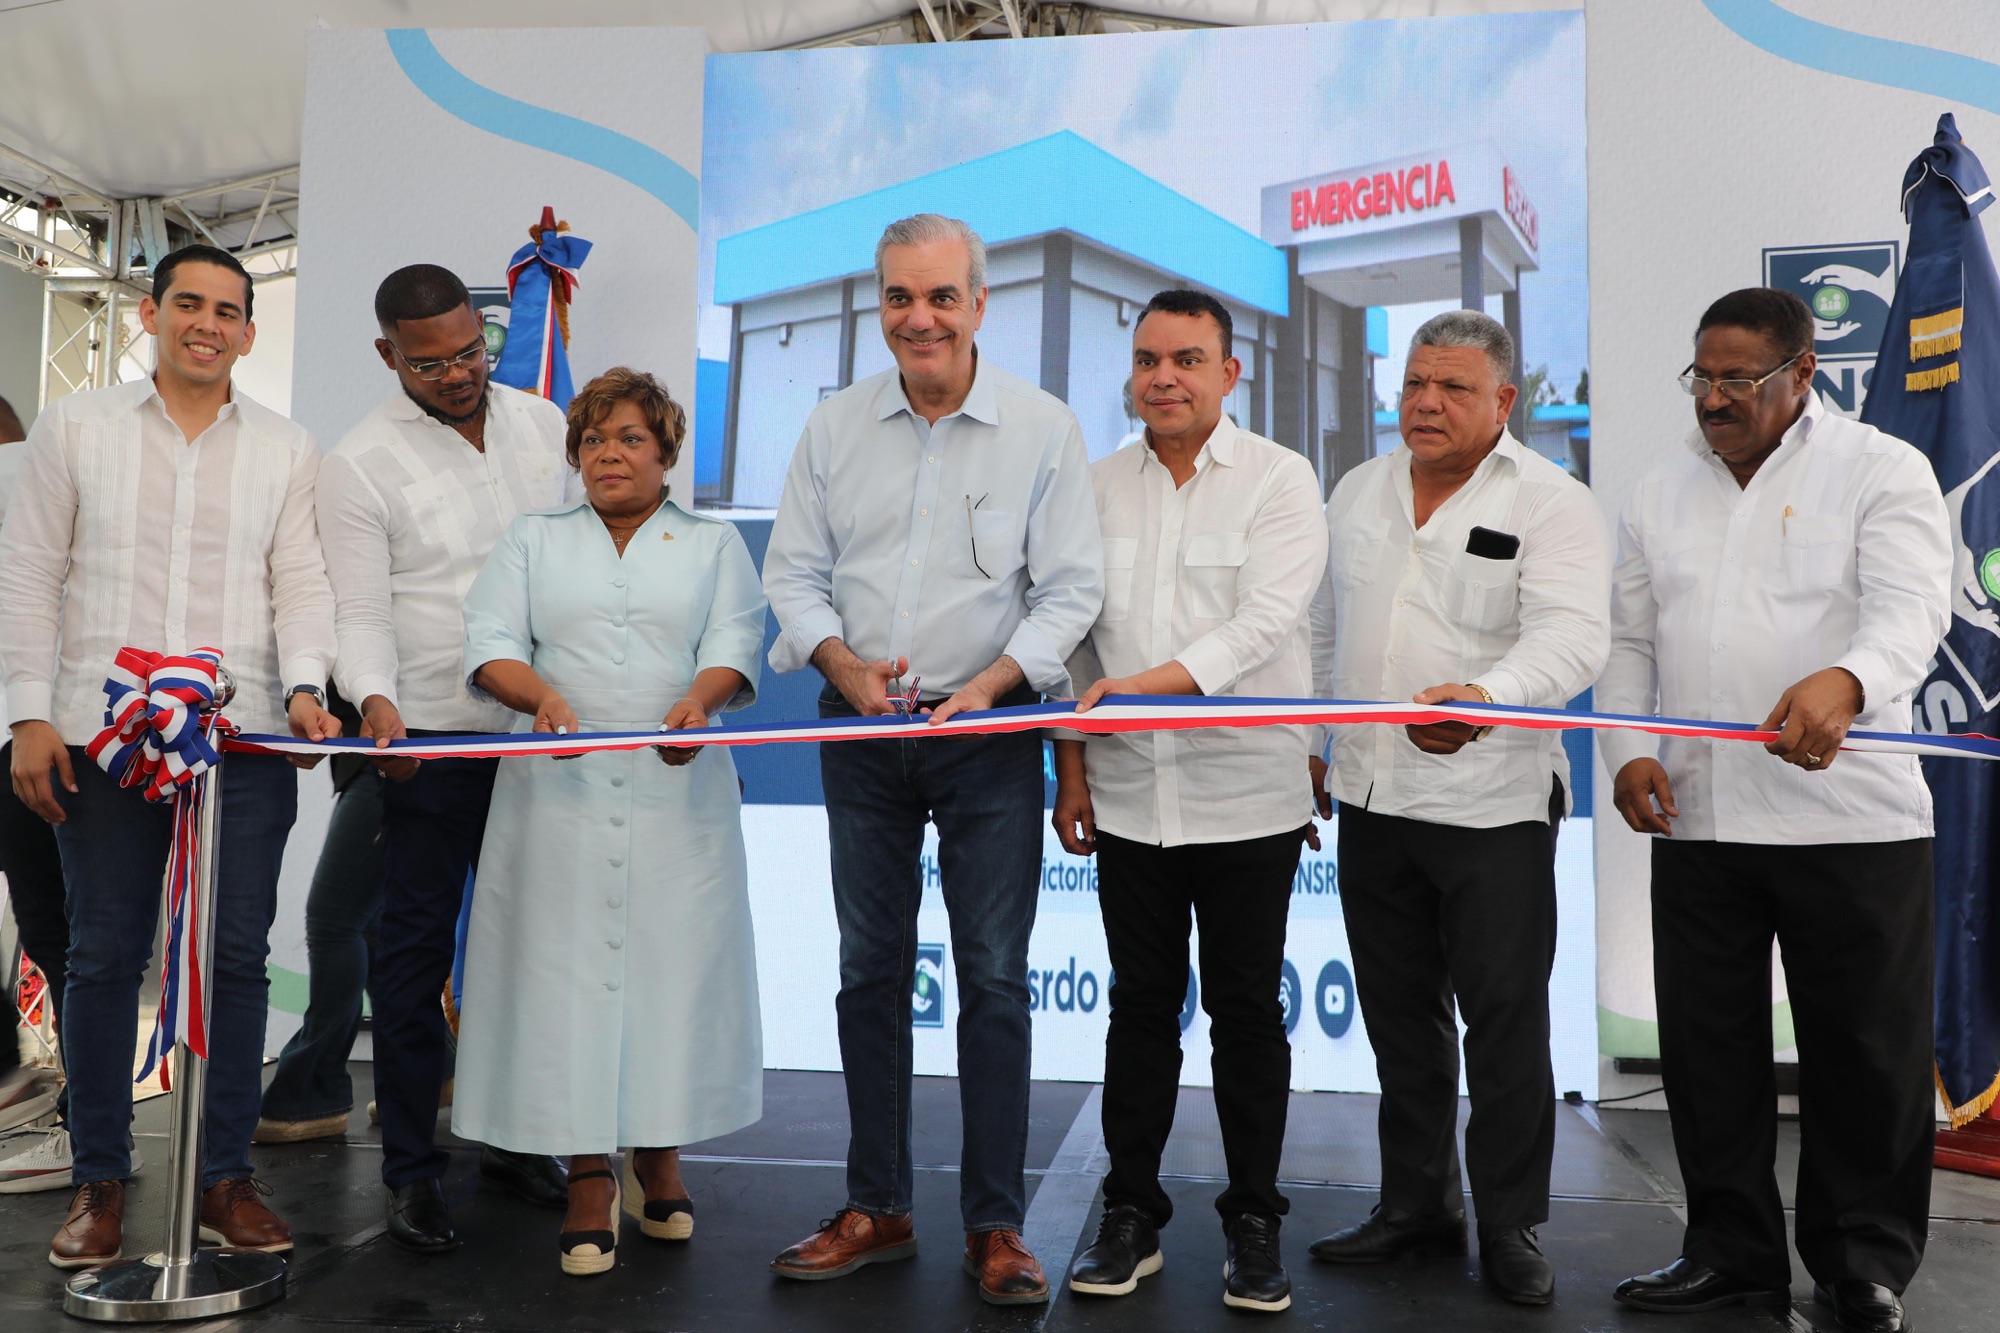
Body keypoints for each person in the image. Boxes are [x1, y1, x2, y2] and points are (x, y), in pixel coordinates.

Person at [762, 213, 1103, 1306]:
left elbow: (1070, 593)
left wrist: (991, 685)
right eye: (901, 297)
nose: (920, 318)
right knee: (868, 971)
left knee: (994, 979)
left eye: (941, 296)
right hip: (860, 728)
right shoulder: (833, 427)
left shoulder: (1042, 429)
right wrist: (842, 663)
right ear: (881, 304)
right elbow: (792, 573)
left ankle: (996, 1225)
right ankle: (878, 1206)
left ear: (979, 303)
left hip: (986, 734)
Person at [1600, 289, 1951, 1333]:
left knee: (1865, 1055)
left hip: (1852, 819)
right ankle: (1728, 1253)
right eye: (1701, 378)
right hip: (1699, 817)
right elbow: (1628, 642)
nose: (1714, 399)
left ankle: (1862, 1262)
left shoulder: (1880, 468)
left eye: (1738, 380)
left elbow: (1910, 613)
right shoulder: (1659, 488)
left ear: (1802, 373)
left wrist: (1846, 680)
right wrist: (1628, 750)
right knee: (1706, 1052)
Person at [0, 244, 341, 1268]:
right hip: (97, 739)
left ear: (248, 331)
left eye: (227, 311)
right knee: (104, 954)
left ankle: (224, 1178)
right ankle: (100, 1178)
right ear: (150, 314)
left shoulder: (287, 447)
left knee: (234, 958)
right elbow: (27, 572)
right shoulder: (75, 428)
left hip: (242, 738)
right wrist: (27, 714)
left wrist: (307, 687)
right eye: (187, 303)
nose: (207, 323)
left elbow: (301, 581)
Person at [1305, 309, 1610, 1306]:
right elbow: (1322, 630)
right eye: (1413, 385)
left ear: (1503, 399)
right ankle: (1416, 1207)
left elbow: (1571, 640)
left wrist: (1484, 697)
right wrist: (1314, 742)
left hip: (1493, 805)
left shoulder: (1552, 501)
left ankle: (1511, 1224)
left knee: (1504, 1025)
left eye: (1452, 387)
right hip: (1371, 794)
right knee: (1401, 1021)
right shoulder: (1356, 489)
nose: (1425, 404)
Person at [455, 367, 766, 1277]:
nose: (609, 454)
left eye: (630, 438)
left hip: (681, 794)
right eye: (593, 440)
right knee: (563, 978)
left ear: (666, 453)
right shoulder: (534, 538)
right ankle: (589, 1169)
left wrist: (700, 705)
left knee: (672, 972)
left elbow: (734, 644)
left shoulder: (712, 544)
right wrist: (541, 698)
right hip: (557, 793)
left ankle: (658, 1155)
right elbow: (490, 644)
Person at [1052, 289, 1326, 1314]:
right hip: (1129, 795)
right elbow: (1073, 640)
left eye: (1186, 359)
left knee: (1246, 1011)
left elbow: (1264, 625)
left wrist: (1141, 688)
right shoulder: (1091, 488)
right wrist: (1071, 768)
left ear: (1228, 373)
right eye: (1147, 359)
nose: (1162, 377)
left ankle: (1254, 1223)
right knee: (1138, 1006)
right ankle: (1130, 1213)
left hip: (1247, 794)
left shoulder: (1280, 479)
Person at [315, 263, 574, 1251]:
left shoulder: (544, 423)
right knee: (415, 954)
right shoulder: (358, 463)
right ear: (388, 355)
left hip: (543, 732)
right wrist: (375, 702)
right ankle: (412, 1171)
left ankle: (515, 1141)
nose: (460, 373)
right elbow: (358, 611)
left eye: (472, 351)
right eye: (431, 364)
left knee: (532, 948)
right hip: (426, 737)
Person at [0, 390, 78, 1191]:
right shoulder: (44, 477)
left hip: (30, 739)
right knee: (66, 934)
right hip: (54, 734)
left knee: (63, 935)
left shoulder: (26, 484)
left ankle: (83, 1130)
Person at [252, 686, 385, 1144]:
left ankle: (311, 1091)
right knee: (369, 925)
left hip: (385, 756)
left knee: (335, 923)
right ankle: (431, 1067)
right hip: (380, 756)